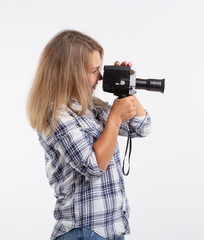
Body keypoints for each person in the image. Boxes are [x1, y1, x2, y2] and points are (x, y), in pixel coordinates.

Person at [27, 30, 151, 240]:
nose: (101, 77)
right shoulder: (55, 114)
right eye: (94, 70)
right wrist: (114, 118)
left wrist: (126, 89)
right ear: (71, 74)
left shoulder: (92, 107)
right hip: (84, 232)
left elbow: (142, 126)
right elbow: (93, 166)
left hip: (112, 228)